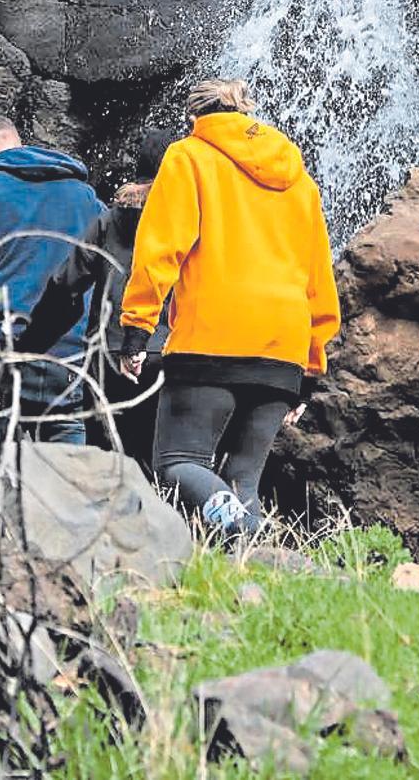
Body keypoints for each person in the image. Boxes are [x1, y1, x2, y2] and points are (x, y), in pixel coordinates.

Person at [118, 79, 340, 539]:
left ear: (194, 119)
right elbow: (319, 278)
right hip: (284, 347)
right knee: (244, 478)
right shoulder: (300, 181)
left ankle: (238, 527)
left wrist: (137, 328)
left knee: (178, 462)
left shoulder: (188, 156)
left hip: (212, 339)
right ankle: (253, 564)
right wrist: (311, 372)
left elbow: (161, 248)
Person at [0, 112, 103, 483]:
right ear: (18, 145)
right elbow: (116, 268)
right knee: (68, 491)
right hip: (67, 360)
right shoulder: (84, 196)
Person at [17, 124, 174, 470]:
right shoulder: (190, 220)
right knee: (168, 459)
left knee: (110, 460)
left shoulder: (110, 221)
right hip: (172, 353)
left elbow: (64, 287)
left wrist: (29, 346)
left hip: (109, 354)